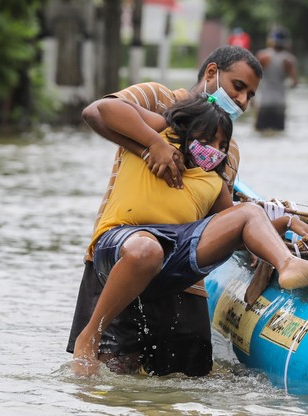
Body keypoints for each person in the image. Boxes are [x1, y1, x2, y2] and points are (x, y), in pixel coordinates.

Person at [72, 95, 308, 376]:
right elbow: (103, 109)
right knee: (146, 250)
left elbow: (241, 229)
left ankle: (288, 265)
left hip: (174, 254)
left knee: (246, 212)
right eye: (209, 139)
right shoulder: (161, 135)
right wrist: (154, 144)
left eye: (222, 145)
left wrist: (284, 222)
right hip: (122, 243)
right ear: (186, 130)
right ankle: (89, 335)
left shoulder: (213, 180)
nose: (216, 150)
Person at [67, 46, 262, 377]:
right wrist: (151, 146)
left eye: (251, 95)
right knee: (114, 374)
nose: (243, 101)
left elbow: (219, 214)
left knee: (184, 383)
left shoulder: (226, 151)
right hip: (124, 254)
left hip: (183, 279)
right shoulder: (157, 99)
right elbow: (98, 113)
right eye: (238, 86)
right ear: (212, 73)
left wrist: (264, 233)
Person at [254, 27, 298, 133]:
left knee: (260, 133)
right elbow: (295, 83)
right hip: (280, 102)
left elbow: (253, 79)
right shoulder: (289, 60)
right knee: (278, 134)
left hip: (264, 101)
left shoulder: (262, 56)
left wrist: (251, 100)